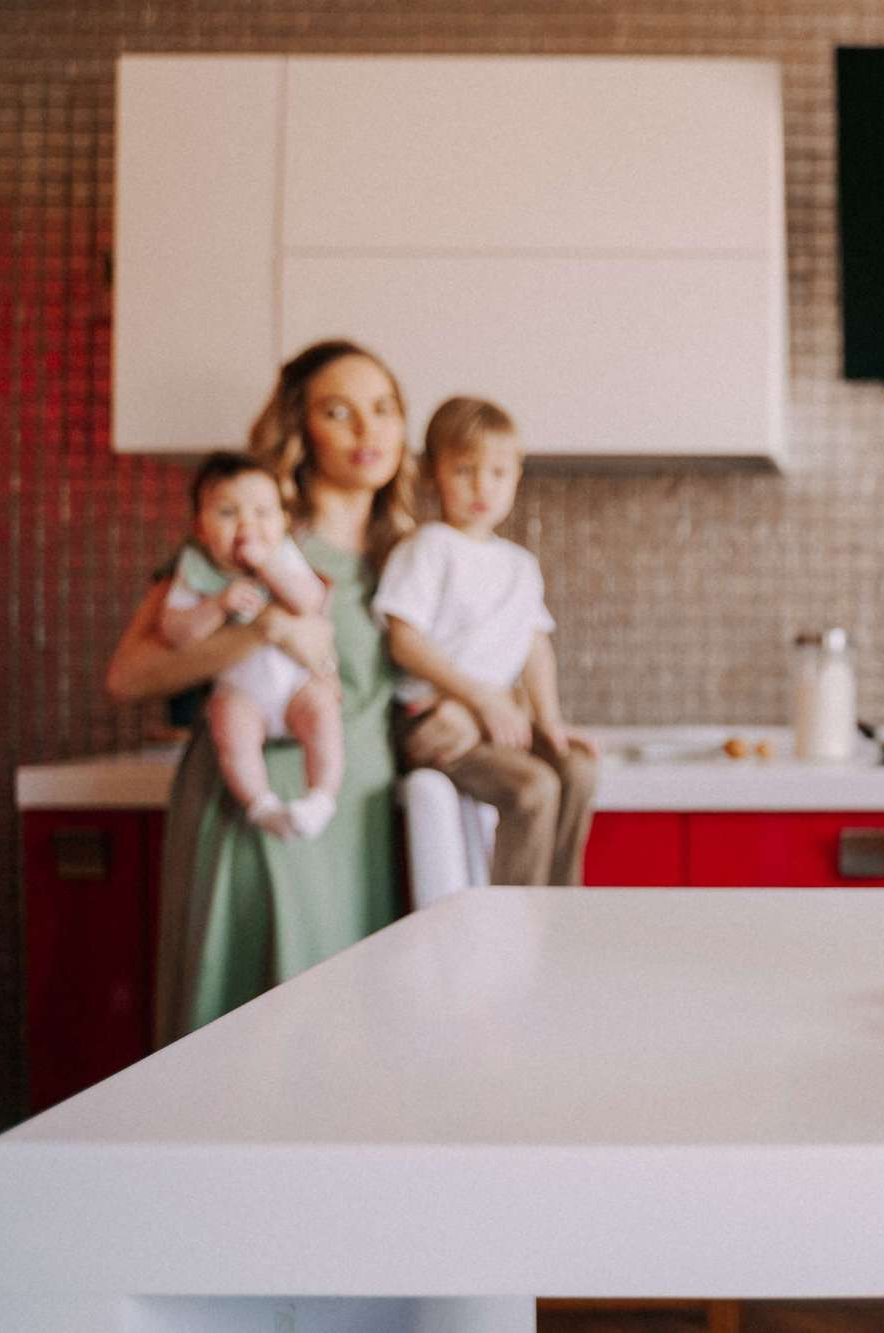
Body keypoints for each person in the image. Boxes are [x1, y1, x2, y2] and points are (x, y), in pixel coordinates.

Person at [106, 339, 415, 1040]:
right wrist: (267, 627)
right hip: (255, 815)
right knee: (250, 1047)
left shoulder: (402, 556)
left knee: (346, 1049)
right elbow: (129, 674)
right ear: (299, 430)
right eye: (339, 411)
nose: (368, 431)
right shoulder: (244, 536)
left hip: (356, 820)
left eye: (384, 409)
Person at [374, 396, 597, 886]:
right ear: (433, 474)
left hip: (498, 718)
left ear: (516, 477)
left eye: (497, 473)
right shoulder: (427, 548)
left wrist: (550, 721)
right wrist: (481, 698)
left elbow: (535, 647)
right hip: (435, 721)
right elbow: (404, 643)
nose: (482, 486)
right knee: (533, 788)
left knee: (577, 770)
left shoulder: (520, 565)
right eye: (465, 471)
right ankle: (516, 919)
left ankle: (559, 905)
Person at [159, 452, 341, 840]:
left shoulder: (284, 556)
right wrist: (217, 605)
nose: (247, 524)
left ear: (283, 520)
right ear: (200, 528)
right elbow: (175, 632)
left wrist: (266, 566)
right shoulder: (198, 570)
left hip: (296, 686)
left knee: (324, 714)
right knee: (228, 726)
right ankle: (261, 806)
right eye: (227, 512)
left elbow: (311, 601)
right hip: (242, 692)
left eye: (263, 512)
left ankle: (322, 797)